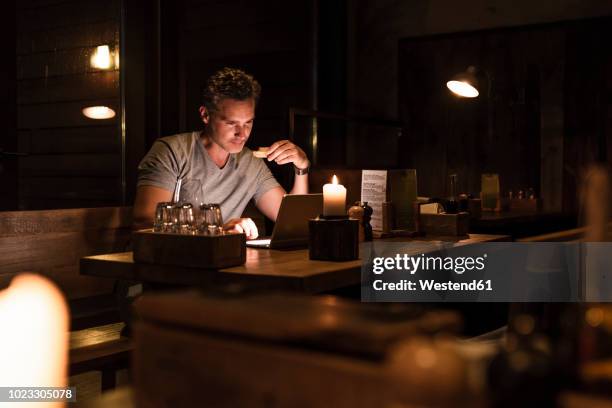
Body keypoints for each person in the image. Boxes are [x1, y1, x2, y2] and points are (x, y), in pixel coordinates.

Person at [133, 67, 310, 238]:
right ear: (205, 115)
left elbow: (292, 222)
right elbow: (146, 224)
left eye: (248, 122)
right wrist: (218, 232)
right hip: (170, 263)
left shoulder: (250, 162)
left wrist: (301, 167)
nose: (242, 133)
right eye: (232, 123)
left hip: (223, 262)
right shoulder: (171, 151)